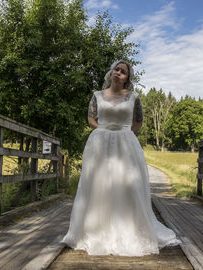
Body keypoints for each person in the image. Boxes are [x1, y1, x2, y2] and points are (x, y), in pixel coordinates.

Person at [61, 60, 181, 256]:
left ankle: (128, 230)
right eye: (117, 69)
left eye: (123, 72)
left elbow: (138, 121)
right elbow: (91, 117)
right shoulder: (97, 95)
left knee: (127, 184)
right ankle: (96, 230)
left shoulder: (133, 97)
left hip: (125, 145)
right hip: (99, 143)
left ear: (127, 78)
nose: (118, 73)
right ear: (111, 72)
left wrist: (123, 133)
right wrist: (103, 131)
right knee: (99, 185)